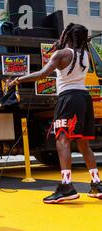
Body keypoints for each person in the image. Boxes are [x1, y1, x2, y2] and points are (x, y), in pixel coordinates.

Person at [8, 23, 102, 203]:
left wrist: (17, 80)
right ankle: (97, 183)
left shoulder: (62, 54)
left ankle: (67, 186)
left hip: (68, 98)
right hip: (84, 98)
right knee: (83, 144)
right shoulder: (85, 55)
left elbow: (42, 74)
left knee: (62, 140)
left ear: (67, 36)